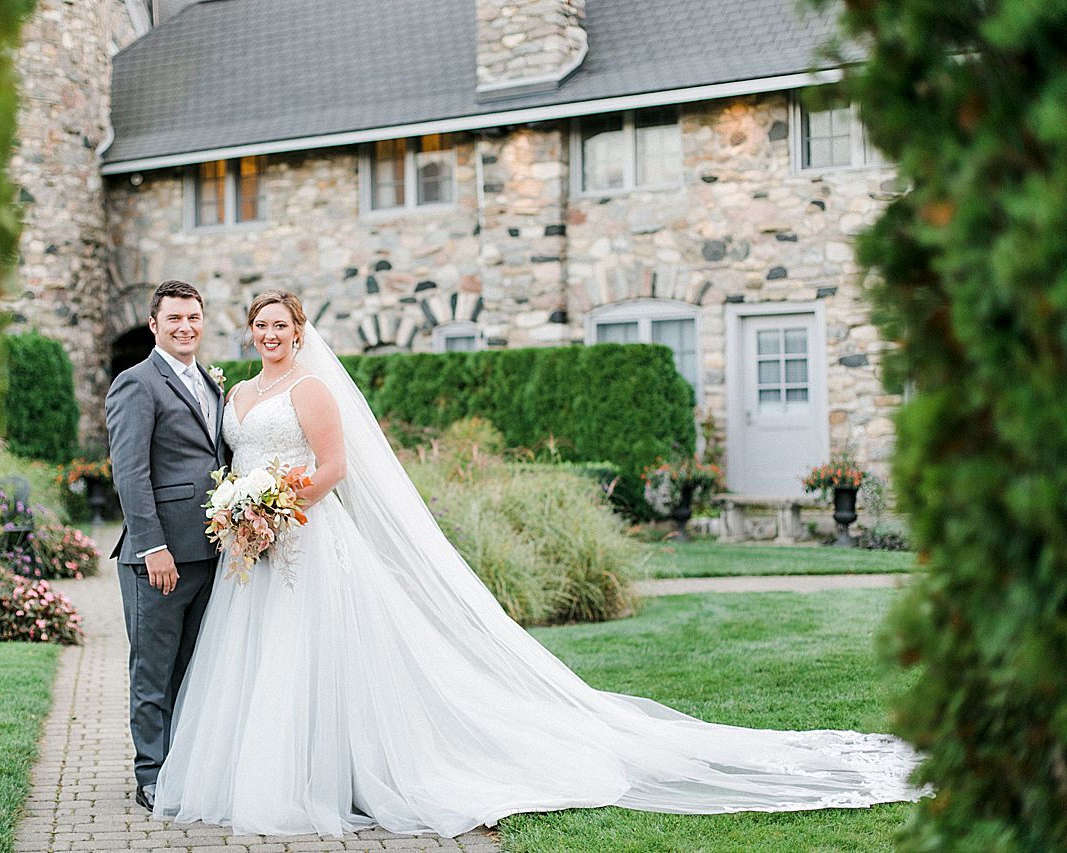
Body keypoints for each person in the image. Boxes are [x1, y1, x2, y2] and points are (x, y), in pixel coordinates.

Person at [153, 289, 921, 837]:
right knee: (259, 663)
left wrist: (275, 507)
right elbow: (238, 460)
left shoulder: (313, 388)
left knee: (319, 659)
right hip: (254, 553)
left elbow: (331, 469)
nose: (269, 334)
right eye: (259, 324)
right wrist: (242, 514)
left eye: (280, 323)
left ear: (300, 329)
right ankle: (263, 776)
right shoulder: (242, 389)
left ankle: (326, 779)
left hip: (307, 544)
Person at [105, 279, 230, 811]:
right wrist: (153, 546)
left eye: (194, 318)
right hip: (159, 559)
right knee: (153, 669)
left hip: (211, 551)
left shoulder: (210, 382)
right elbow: (130, 473)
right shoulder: (137, 383)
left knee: (192, 669)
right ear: (155, 325)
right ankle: (151, 773)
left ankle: (185, 766)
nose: (185, 327)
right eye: (175, 319)